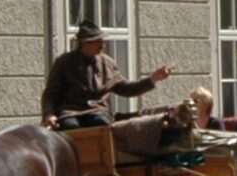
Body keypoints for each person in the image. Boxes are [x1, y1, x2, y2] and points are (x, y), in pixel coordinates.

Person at [41, 19, 171, 129]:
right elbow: (50, 93)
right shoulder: (64, 62)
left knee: (101, 123)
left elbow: (126, 88)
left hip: (97, 110)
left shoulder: (107, 63)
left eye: (102, 41)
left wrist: (153, 79)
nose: (102, 45)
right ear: (84, 44)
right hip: (71, 111)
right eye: (97, 41)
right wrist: (49, 114)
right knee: (71, 126)